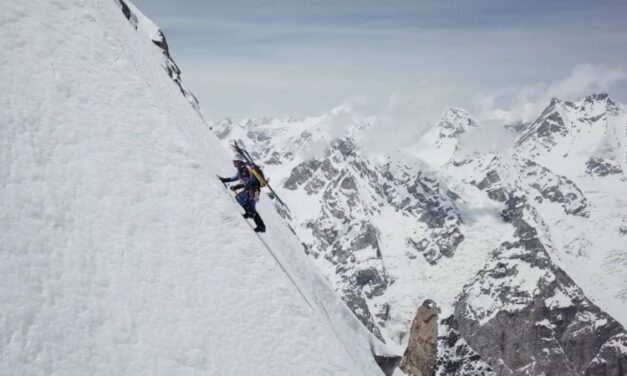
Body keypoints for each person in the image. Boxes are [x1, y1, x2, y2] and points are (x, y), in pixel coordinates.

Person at [219, 159, 267, 233]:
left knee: (239, 197)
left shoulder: (245, 170)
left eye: (236, 163)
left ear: (240, 163)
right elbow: (233, 179)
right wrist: (224, 180)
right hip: (254, 190)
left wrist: (236, 187)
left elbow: (248, 182)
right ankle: (261, 226)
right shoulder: (240, 173)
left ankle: (249, 213)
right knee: (252, 208)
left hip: (252, 189)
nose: (235, 165)